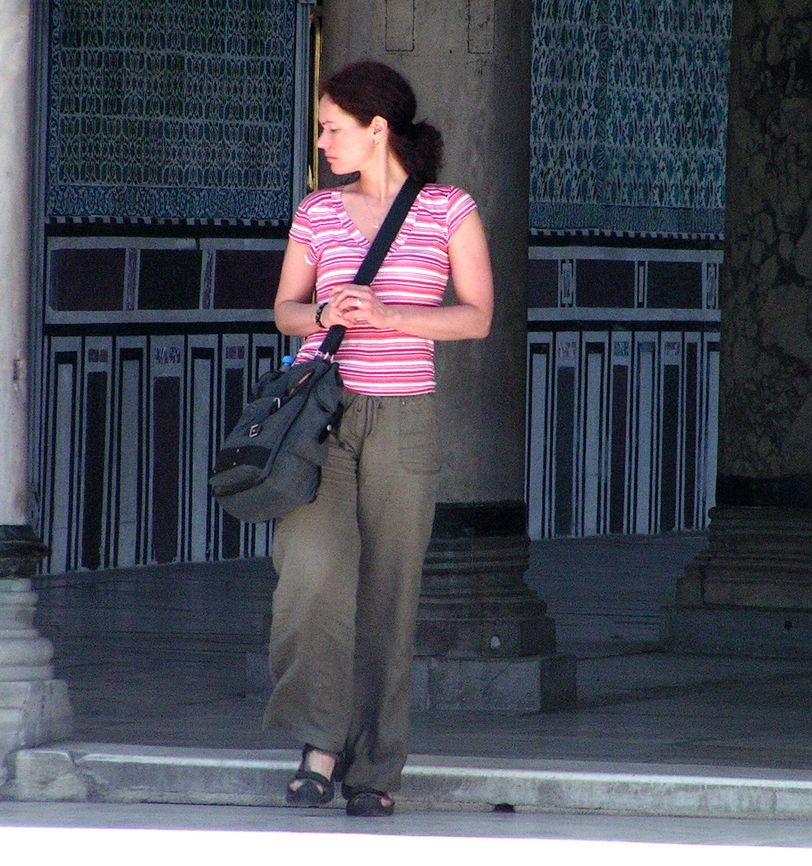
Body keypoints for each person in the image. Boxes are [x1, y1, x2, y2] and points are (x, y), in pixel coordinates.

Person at [266, 60, 493, 817]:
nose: (323, 140)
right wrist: (326, 311)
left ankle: (376, 770)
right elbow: (284, 312)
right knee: (311, 582)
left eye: (333, 127)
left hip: (404, 419)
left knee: (390, 598)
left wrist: (391, 317)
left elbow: (477, 316)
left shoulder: (449, 210)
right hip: (317, 418)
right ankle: (318, 749)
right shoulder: (317, 214)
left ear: (377, 128)